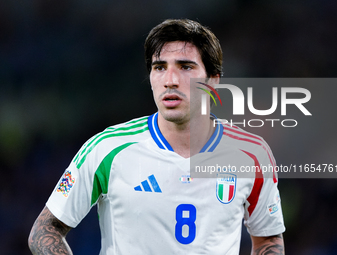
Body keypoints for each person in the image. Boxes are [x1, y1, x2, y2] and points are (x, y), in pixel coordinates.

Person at [28, 19, 285, 254]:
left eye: (185, 67)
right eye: (159, 67)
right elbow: (45, 229)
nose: (170, 80)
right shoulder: (107, 148)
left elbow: (268, 240)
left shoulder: (252, 154)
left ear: (213, 81)